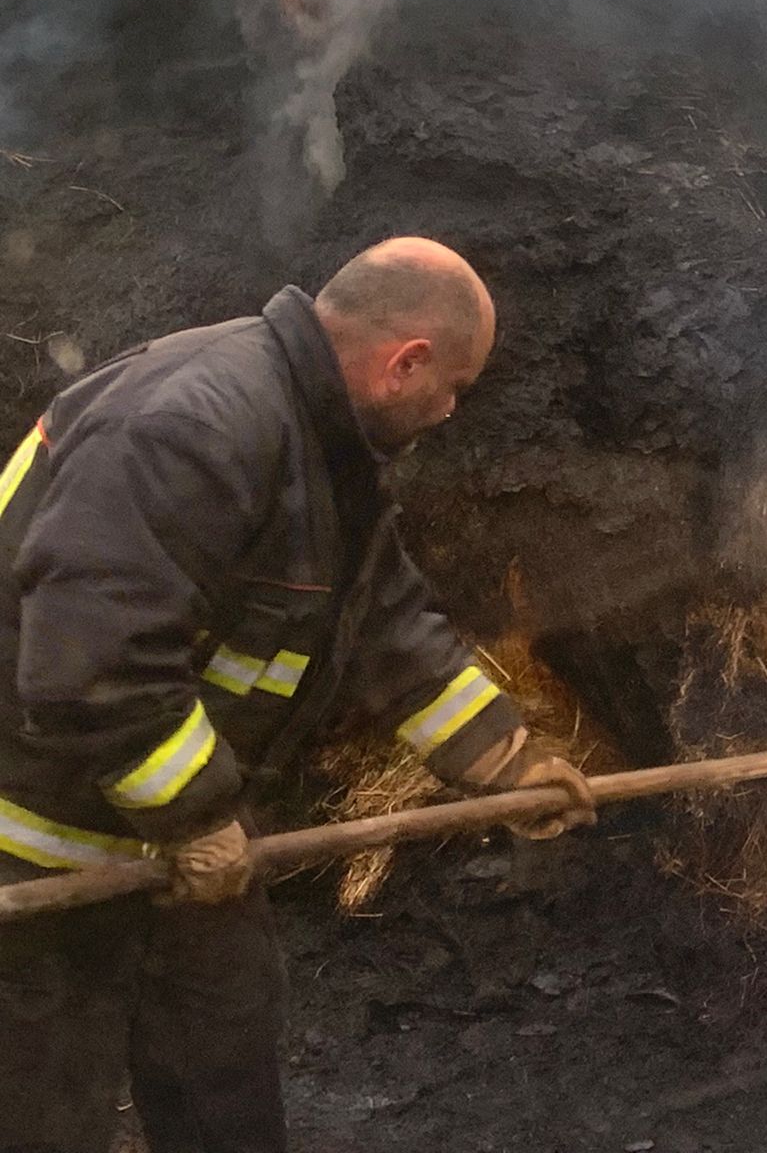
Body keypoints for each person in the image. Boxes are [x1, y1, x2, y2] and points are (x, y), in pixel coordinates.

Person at [0, 237, 596, 1153]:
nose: (449, 410)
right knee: (42, 1110)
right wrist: (195, 816)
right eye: (454, 388)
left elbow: (386, 624)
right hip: (37, 843)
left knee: (225, 1074)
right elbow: (92, 662)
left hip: (182, 842)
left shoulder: (320, 447)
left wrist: (507, 761)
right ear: (407, 364)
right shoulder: (195, 428)